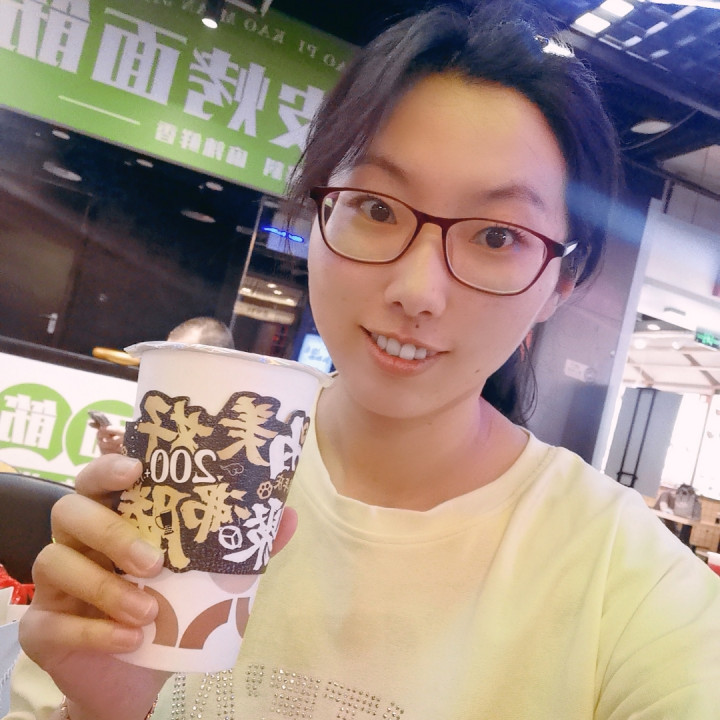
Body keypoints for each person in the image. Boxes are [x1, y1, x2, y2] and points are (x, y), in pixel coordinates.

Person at [16, 2, 720, 719]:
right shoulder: (196, 465)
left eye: (497, 237)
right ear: (316, 213)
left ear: (560, 284)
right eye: (378, 209)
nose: (418, 290)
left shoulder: (629, 580)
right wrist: (100, 708)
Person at [91, 317, 235, 455]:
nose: (168, 367)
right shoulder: (159, 401)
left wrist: (138, 447)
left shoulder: (233, 416)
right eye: (165, 356)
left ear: (212, 364)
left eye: (179, 359)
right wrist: (118, 453)